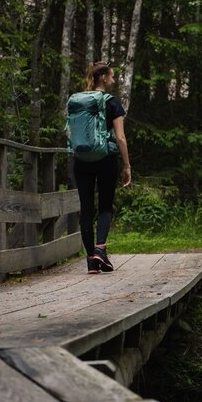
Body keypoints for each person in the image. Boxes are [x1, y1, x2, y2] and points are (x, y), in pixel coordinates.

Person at [72, 61, 131, 274]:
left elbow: (70, 132)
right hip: (106, 158)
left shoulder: (78, 101)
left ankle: (91, 261)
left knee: (86, 208)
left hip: (81, 160)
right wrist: (127, 166)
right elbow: (120, 137)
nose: (113, 80)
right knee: (105, 206)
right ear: (104, 77)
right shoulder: (112, 102)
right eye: (112, 76)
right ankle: (100, 249)